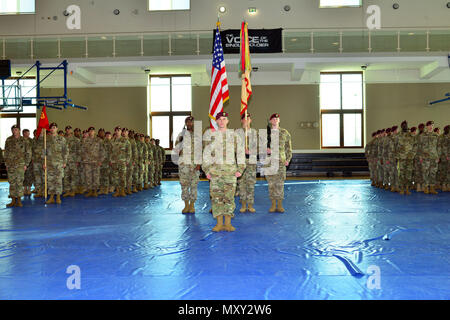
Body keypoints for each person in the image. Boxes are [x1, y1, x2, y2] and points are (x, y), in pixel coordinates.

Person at [202, 112, 245, 232]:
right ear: (216, 121)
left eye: (224, 119)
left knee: (229, 198)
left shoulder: (234, 136)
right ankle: (219, 223)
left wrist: (240, 169)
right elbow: (206, 154)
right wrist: (207, 170)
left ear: (227, 121)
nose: (222, 121)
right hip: (215, 173)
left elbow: (240, 152)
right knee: (216, 198)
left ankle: (228, 223)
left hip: (230, 173)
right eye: (219, 119)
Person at [264, 113, 292, 213]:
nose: (275, 120)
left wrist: (288, 159)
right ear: (270, 121)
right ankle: (272, 205)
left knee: (280, 184)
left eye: (277, 118)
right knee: (271, 184)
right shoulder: (266, 133)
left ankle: (279, 205)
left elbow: (288, 148)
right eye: (273, 119)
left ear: (279, 120)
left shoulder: (285, 133)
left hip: (281, 162)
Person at [174, 116, 201, 214]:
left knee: (194, 185)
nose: (189, 124)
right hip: (183, 164)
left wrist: (199, 163)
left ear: (193, 123)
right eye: (188, 122)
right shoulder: (181, 135)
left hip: (194, 164)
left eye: (191, 122)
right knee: (184, 185)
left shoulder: (197, 136)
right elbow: (176, 149)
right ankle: (186, 205)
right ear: (185, 123)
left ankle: (192, 205)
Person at [4, 124, 31, 207]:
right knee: (12, 182)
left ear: (19, 130)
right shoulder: (8, 140)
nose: (14, 131)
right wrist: (6, 164)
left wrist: (26, 164)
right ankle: (13, 200)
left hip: (20, 164)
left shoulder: (24, 140)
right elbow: (6, 153)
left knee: (19, 182)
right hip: (11, 165)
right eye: (13, 129)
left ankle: (19, 200)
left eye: (16, 129)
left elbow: (28, 153)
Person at [236, 113, 258, 213]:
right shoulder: (237, 132)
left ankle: (250, 205)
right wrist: (241, 149)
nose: (246, 120)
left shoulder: (254, 132)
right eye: (244, 119)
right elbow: (233, 147)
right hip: (241, 161)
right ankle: (243, 205)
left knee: (250, 184)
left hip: (251, 162)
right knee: (241, 184)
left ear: (251, 120)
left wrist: (251, 151)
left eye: (248, 118)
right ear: (241, 121)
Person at [44, 123, 68, 204]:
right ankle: (51, 197)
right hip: (49, 163)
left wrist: (64, 162)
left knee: (58, 180)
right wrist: (43, 162)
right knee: (50, 180)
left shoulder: (62, 139)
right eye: (51, 128)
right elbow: (44, 152)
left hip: (59, 163)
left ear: (57, 129)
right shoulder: (46, 139)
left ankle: (58, 197)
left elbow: (65, 151)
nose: (52, 129)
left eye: (54, 128)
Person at [81, 127, 105, 197]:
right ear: (88, 132)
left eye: (92, 131)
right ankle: (90, 190)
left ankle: (95, 191)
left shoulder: (99, 140)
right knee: (88, 177)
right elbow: (82, 151)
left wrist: (101, 160)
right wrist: (83, 158)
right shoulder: (85, 141)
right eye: (90, 131)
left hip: (96, 162)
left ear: (94, 132)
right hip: (87, 162)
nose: (91, 132)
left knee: (96, 176)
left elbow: (102, 151)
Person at [417, 121, 439, 194]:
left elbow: (438, 147)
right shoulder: (422, 135)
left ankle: (432, 188)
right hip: (425, 157)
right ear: (426, 126)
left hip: (434, 157)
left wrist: (438, 156)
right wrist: (420, 156)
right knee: (425, 172)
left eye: (432, 125)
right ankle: (426, 187)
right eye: (429, 125)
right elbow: (419, 147)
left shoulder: (436, 135)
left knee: (433, 173)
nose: (431, 127)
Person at [396, 121, 417, 195]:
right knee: (401, 174)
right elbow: (395, 146)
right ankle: (402, 188)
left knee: (409, 173)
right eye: (403, 125)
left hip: (409, 158)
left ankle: (407, 188)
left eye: (406, 125)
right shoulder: (398, 135)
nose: (405, 126)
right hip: (401, 158)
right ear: (401, 126)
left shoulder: (411, 136)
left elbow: (415, 146)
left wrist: (412, 154)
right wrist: (397, 155)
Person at [111, 126, 131, 197]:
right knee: (115, 177)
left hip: (122, 162)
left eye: (119, 130)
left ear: (121, 132)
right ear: (115, 131)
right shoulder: (112, 140)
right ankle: (117, 191)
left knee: (122, 177)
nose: (117, 131)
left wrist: (127, 161)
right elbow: (110, 151)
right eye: (116, 130)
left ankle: (122, 191)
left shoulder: (125, 140)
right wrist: (111, 160)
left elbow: (129, 151)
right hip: (114, 162)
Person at [63, 126, 81, 197]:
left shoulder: (76, 140)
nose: (68, 130)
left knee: (74, 176)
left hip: (73, 161)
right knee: (66, 176)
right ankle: (67, 191)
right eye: (66, 129)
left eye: (69, 129)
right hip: (65, 161)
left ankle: (73, 190)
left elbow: (79, 151)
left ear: (71, 130)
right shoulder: (63, 139)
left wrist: (78, 160)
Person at [22, 129, 33, 196]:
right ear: (23, 133)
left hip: (30, 161)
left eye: (28, 133)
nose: (26, 134)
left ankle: (29, 189)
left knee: (29, 175)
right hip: (22, 161)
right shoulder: (21, 140)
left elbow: (34, 150)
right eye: (25, 133)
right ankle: (24, 189)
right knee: (23, 175)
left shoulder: (31, 141)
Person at [437, 125, 449, 192]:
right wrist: (440, 156)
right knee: (443, 171)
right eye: (447, 129)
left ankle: (448, 185)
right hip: (443, 157)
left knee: (448, 171)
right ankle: (443, 185)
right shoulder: (441, 137)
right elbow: (439, 147)